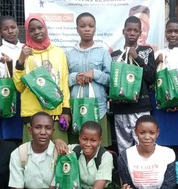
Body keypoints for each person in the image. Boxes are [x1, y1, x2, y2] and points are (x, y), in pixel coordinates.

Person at [13, 15, 71, 143]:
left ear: (45, 28)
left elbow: (64, 82)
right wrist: (21, 60)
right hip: (32, 115)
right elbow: (19, 86)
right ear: (28, 33)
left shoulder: (59, 53)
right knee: (33, 157)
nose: (37, 32)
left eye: (40, 28)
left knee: (59, 156)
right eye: (32, 30)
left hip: (55, 113)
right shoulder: (24, 54)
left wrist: (66, 110)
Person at [51, 121, 116, 189]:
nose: (88, 144)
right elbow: (54, 145)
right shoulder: (74, 149)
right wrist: (57, 141)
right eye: (84, 139)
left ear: (100, 140)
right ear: (79, 137)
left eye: (93, 140)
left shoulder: (105, 157)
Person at [117, 115, 175, 189]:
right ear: (136, 132)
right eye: (142, 133)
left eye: (151, 133)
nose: (147, 137)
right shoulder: (125, 156)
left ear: (157, 133)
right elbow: (128, 184)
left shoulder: (168, 154)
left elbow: (169, 185)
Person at [111, 16, 156, 152]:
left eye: (135, 30)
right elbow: (112, 82)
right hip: (121, 108)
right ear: (123, 31)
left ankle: (143, 172)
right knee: (123, 147)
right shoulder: (115, 55)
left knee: (144, 144)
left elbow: (151, 77)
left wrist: (137, 58)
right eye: (129, 30)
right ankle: (125, 173)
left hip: (141, 107)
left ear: (140, 33)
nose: (131, 33)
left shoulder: (146, 52)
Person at [66, 12, 112, 147]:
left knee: (99, 148)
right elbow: (63, 80)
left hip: (99, 108)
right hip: (76, 108)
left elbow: (111, 80)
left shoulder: (103, 52)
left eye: (90, 26)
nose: (87, 29)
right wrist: (75, 77)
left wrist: (94, 74)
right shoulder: (69, 54)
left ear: (95, 28)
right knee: (77, 147)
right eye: (83, 26)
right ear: (77, 29)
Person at [9, 112, 59, 189]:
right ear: (30, 130)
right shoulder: (18, 153)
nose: (43, 132)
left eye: (48, 128)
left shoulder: (58, 153)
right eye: (38, 127)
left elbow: (53, 188)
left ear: (53, 131)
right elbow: (18, 188)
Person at [153, 17, 178, 159]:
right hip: (160, 99)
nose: (173, 35)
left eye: (177, 31)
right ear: (165, 33)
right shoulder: (158, 53)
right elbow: (152, 79)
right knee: (160, 138)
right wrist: (156, 62)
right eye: (169, 31)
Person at [0, 15, 24, 141]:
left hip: (26, 94)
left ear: (18, 28)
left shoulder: (25, 48)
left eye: (13, 27)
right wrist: (7, 64)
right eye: (6, 29)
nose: (10, 31)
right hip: (10, 96)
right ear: (0, 31)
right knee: (11, 135)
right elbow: (1, 80)